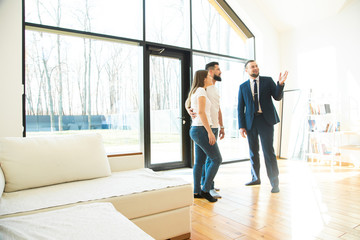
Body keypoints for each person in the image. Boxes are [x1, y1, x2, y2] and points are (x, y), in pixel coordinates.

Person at [237, 60, 288, 193]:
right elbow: (240, 108)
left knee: (268, 152)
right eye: (252, 67)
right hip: (250, 122)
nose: (255, 68)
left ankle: (274, 182)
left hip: (266, 121)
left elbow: (277, 97)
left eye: (256, 66)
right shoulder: (243, 87)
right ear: (246, 70)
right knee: (253, 151)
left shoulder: (268, 81)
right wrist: (241, 126)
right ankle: (255, 178)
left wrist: (280, 84)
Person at [186, 62, 224, 198]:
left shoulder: (198, 90)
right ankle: (206, 189)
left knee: (200, 162)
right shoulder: (202, 90)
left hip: (197, 129)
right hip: (201, 129)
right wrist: (209, 132)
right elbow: (201, 112)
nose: (211, 77)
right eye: (209, 75)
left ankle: (196, 191)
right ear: (204, 78)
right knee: (216, 159)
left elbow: (193, 104)